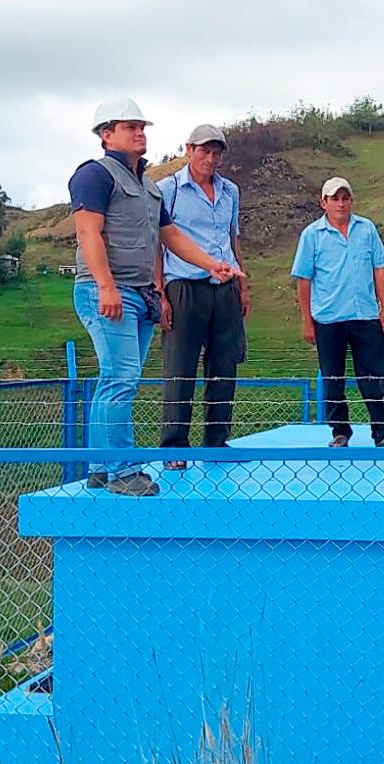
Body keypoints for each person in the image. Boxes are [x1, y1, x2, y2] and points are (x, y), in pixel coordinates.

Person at [70, 97, 244, 496]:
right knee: (121, 378)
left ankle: (99, 467)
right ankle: (124, 471)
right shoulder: (94, 176)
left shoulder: (146, 185)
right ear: (106, 134)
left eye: (142, 126)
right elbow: (88, 233)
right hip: (109, 292)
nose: (139, 133)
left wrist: (212, 264)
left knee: (112, 380)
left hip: (138, 293)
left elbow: (171, 236)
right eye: (129, 127)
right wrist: (106, 286)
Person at [291, 177, 384, 448]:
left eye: (345, 198)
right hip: (328, 318)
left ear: (352, 202)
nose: (341, 203)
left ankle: (383, 433)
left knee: (376, 376)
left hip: (365, 315)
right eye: (335, 198)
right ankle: (340, 432)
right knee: (333, 379)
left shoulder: (367, 229)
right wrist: (307, 321)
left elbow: (380, 267)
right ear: (324, 203)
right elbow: (304, 279)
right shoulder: (311, 235)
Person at [156, 125, 248, 468]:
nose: (210, 159)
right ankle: (175, 446)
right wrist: (160, 292)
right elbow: (159, 242)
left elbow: (232, 237)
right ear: (189, 149)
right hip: (184, 285)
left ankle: (216, 441)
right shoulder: (169, 190)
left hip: (225, 287)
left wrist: (242, 286)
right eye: (204, 151)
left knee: (224, 365)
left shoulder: (230, 192)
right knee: (180, 366)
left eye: (216, 152)